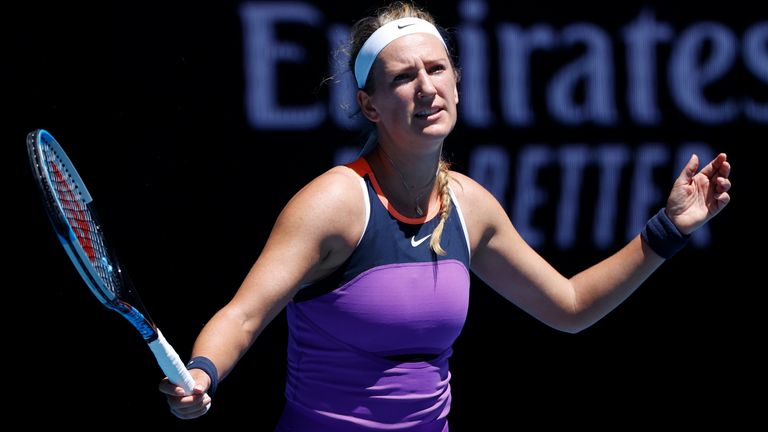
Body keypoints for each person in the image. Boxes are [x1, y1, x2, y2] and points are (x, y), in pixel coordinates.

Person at [159, 1, 732, 430]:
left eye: (436, 69)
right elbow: (243, 315)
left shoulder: (469, 204)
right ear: (369, 105)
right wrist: (204, 372)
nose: (426, 88)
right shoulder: (333, 204)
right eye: (404, 77)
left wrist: (668, 231)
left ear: (457, 81)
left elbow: (571, 307)